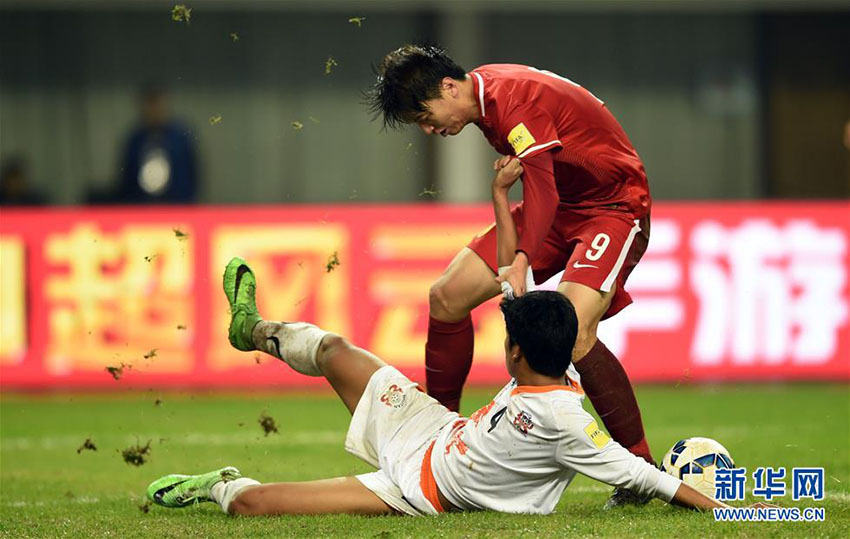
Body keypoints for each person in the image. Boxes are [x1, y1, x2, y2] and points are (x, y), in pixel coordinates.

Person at [146, 255, 730, 517]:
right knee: (335, 350)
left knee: (255, 504)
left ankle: (217, 485)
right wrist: (503, 196)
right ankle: (254, 329)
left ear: (515, 352)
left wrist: (735, 516)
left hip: (420, 488)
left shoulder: (566, 422)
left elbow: (646, 476)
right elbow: (512, 274)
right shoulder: (553, 359)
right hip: (434, 429)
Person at [367, 45, 655, 506]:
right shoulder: (483, 100)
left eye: (424, 115)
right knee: (446, 296)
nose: (427, 129)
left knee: (574, 331)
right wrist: (512, 238)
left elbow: (541, 184)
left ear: (448, 87)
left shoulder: (513, 101)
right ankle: (436, 431)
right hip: (563, 207)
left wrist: (524, 255)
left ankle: (640, 469)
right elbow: (540, 189)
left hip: (611, 207)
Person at [116, 83, 198, 203]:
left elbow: (192, 175)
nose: (155, 110)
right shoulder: (135, 140)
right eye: (150, 104)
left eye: (158, 104)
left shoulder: (181, 138)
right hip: (142, 207)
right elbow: (126, 179)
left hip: (177, 206)